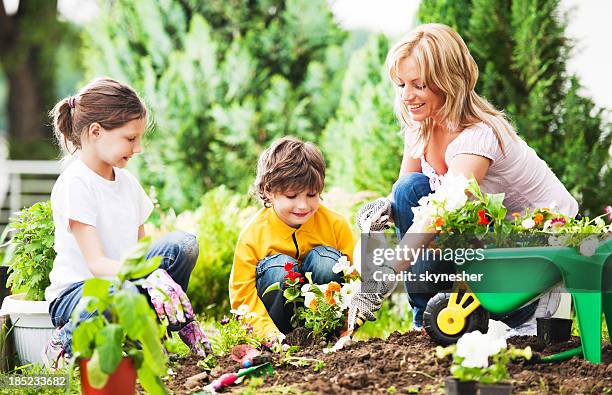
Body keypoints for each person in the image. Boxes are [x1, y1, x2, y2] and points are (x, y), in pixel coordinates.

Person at [349, 23, 578, 335]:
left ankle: (517, 314)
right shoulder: (422, 124)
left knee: (440, 218)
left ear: (448, 82)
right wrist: (379, 214)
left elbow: (441, 210)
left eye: (419, 85)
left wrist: (382, 276)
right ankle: (427, 320)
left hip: (534, 255)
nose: (407, 96)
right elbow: (407, 194)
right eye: (401, 85)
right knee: (408, 191)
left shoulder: (478, 136)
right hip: (487, 242)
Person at [43, 77, 211, 368]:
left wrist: (160, 281)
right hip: (79, 293)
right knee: (123, 292)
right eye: (131, 138)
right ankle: (65, 341)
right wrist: (148, 276)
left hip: (125, 284)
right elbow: (96, 264)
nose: (138, 148)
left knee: (184, 245)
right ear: (96, 132)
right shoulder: (76, 183)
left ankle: (154, 327)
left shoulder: (128, 183)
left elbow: (141, 249)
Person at [229, 137, 356, 340]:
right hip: (277, 330)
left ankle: (324, 336)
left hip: (324, 320)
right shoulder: (253, 235)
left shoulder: (335, 225)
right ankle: (287, 338)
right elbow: (242, 296)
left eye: (311, 194)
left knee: (327, 262)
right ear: (269, 191)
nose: (303, 205)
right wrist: (270, 336)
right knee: (280, 268)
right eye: (291, 196)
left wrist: (346, 331)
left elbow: (355, 281)